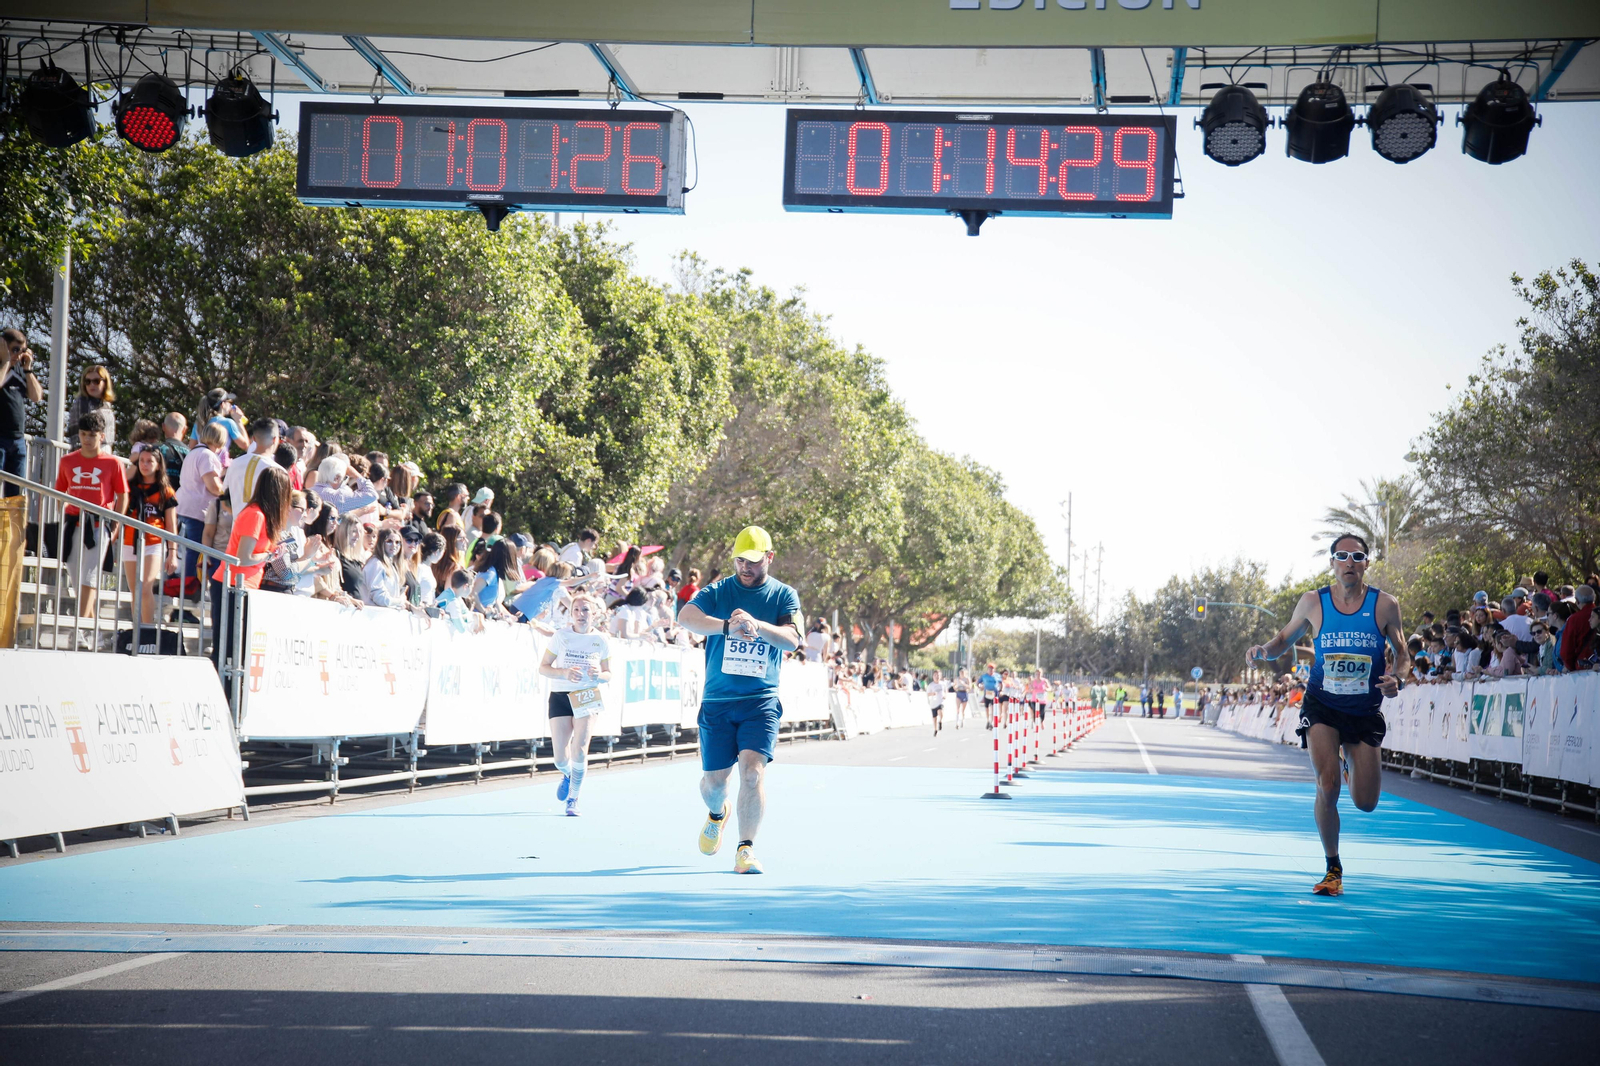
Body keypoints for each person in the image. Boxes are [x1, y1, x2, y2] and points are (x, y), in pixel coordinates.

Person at [1246, 534, 1410, 898]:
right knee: (1327, 784)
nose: (1349, 562)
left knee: (1366, 803)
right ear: (1332, 563)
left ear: (1367, 563)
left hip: (1364, 710)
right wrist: (1262, 650)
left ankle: (1348, 765)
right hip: (1322, 705)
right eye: (1342, 556)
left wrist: (1397, 679)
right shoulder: (1312, 602)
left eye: (1357, 556)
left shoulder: (1384, 605)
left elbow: (1403, 652)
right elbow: (1282, 641)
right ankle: (1333, 867)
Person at [677, 526, 803, 875]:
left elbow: (792, 640)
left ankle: (745, 849)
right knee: (715, 785)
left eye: (753, 561)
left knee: (751, 774)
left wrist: (758, 626)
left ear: (770, 558)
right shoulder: (718, 590)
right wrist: (724, 627)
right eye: (740, 561)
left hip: (759, 702)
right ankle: (718, 813)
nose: (746, 567)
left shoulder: (783, 596)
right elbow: (685, 617)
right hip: (718, 701)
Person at [538, 594, 613, 816]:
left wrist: (600, 674)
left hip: (587, 696)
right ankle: (569, 774)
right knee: (561, 757)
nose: (581, 615)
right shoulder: (561, 636)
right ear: (571, 614)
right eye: (577, 610)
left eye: (586, 610)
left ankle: (573, 798)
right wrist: (563, 672)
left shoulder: (601, 640)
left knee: (579, 750)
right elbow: (543, 667)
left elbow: (609, 674)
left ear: (595, 614)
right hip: (561, 694)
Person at [53, 410, 128, 629]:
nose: (86, 439)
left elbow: (123, 495)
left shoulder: (113, 463)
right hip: (74, 523)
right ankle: (91, 630)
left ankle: (80, 628)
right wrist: (62, 516)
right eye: (83, 434)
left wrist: (116, 524)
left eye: (92, 435)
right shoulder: (67, 461)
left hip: (99, 524)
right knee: (77, 577)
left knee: (90, 577)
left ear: (101, 436)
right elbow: (59, 492)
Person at [211, 465, 291, 664]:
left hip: (242, 587)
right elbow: (243, 557)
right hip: (230, 587)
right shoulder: (256, 515)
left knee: (237, 653)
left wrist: (270, 553)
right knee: (227, 652)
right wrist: (267, 555)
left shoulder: (261, 515)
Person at [121, 445, 180, 626]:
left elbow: (170, 525)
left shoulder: (166, 491)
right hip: (130, 540)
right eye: (142, 461)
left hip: (153, 542)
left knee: (146, 586)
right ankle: (136, 628)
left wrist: (172, 553)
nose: (145, 465)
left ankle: (147, 629)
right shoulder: (130, 486)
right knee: (135, 590)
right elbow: (120, 481)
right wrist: (133, 461)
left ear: (158, 464)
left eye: (149, 461)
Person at [0, 328, 43, 495]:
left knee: (15, 492)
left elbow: (37, 396)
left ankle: (12, 522)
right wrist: (5, 362)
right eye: (15, 350)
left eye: (22, 350)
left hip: (17, 440)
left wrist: (28, 369)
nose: (18, 355)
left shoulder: (20, 371)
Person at [223, 417, 281, 513]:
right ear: (275, 439)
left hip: (237, 525)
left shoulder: (235, 463)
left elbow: (223, 498)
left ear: (253, 439)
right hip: (262, 526)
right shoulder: (277, 470)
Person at [66, 364, 116, 445]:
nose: (91, 385)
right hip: (87, 451)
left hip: (105, 451)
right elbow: (76, 435)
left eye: (96, 381)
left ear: (105, 383)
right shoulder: (81, 403)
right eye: (88, 381)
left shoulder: (107, 405)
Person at [362, 527, 407, 608]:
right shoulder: (376, 563)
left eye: (397, 542)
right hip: (373, 615)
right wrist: (400, 601)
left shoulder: (391, 565)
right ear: (381, 543)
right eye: (389, 541)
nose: (394, 545)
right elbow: (379, 597)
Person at [979, 663, 1000, 728]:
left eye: (992, 669)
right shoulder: (984, 676)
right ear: (988, 669)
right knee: (987, 707)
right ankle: (988, 720)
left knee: (993, 708)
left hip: (994, 693)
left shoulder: (997, 676)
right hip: (987, 693)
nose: (991, 670)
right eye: (990, 669)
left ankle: (992, 721)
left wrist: (1001, 690)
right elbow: (978, 683)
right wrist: (980, 687)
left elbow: (1001, 684)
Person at [927, 668, 947, 736]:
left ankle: (940, 721)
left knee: (940, 712)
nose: (937, 676)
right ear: (933, 676)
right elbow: (927, 693)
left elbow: (946, 691)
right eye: (935, 675)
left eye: (938, 675)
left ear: (940, 676)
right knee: (934, 717)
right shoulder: (931, 685)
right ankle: (935, 729)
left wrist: (945, 695)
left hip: (940, 701)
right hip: (933, 702)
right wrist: (932, 693)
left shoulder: (943, 684)